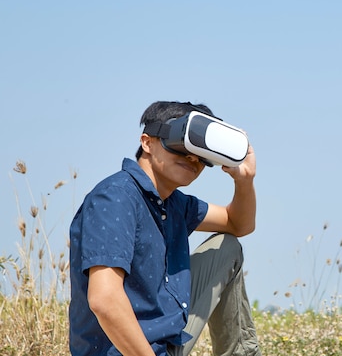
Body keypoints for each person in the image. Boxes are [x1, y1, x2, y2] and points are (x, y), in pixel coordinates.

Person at [69, 101, 261, 356]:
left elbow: (238, 224)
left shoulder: (174, 204)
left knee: (227, 247)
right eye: (181, 147)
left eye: (202, 156)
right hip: (125, 350)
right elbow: (104, 300)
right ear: (147, 142)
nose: (192, 158)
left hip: (166, 343)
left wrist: (245, 179)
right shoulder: (116, 198)